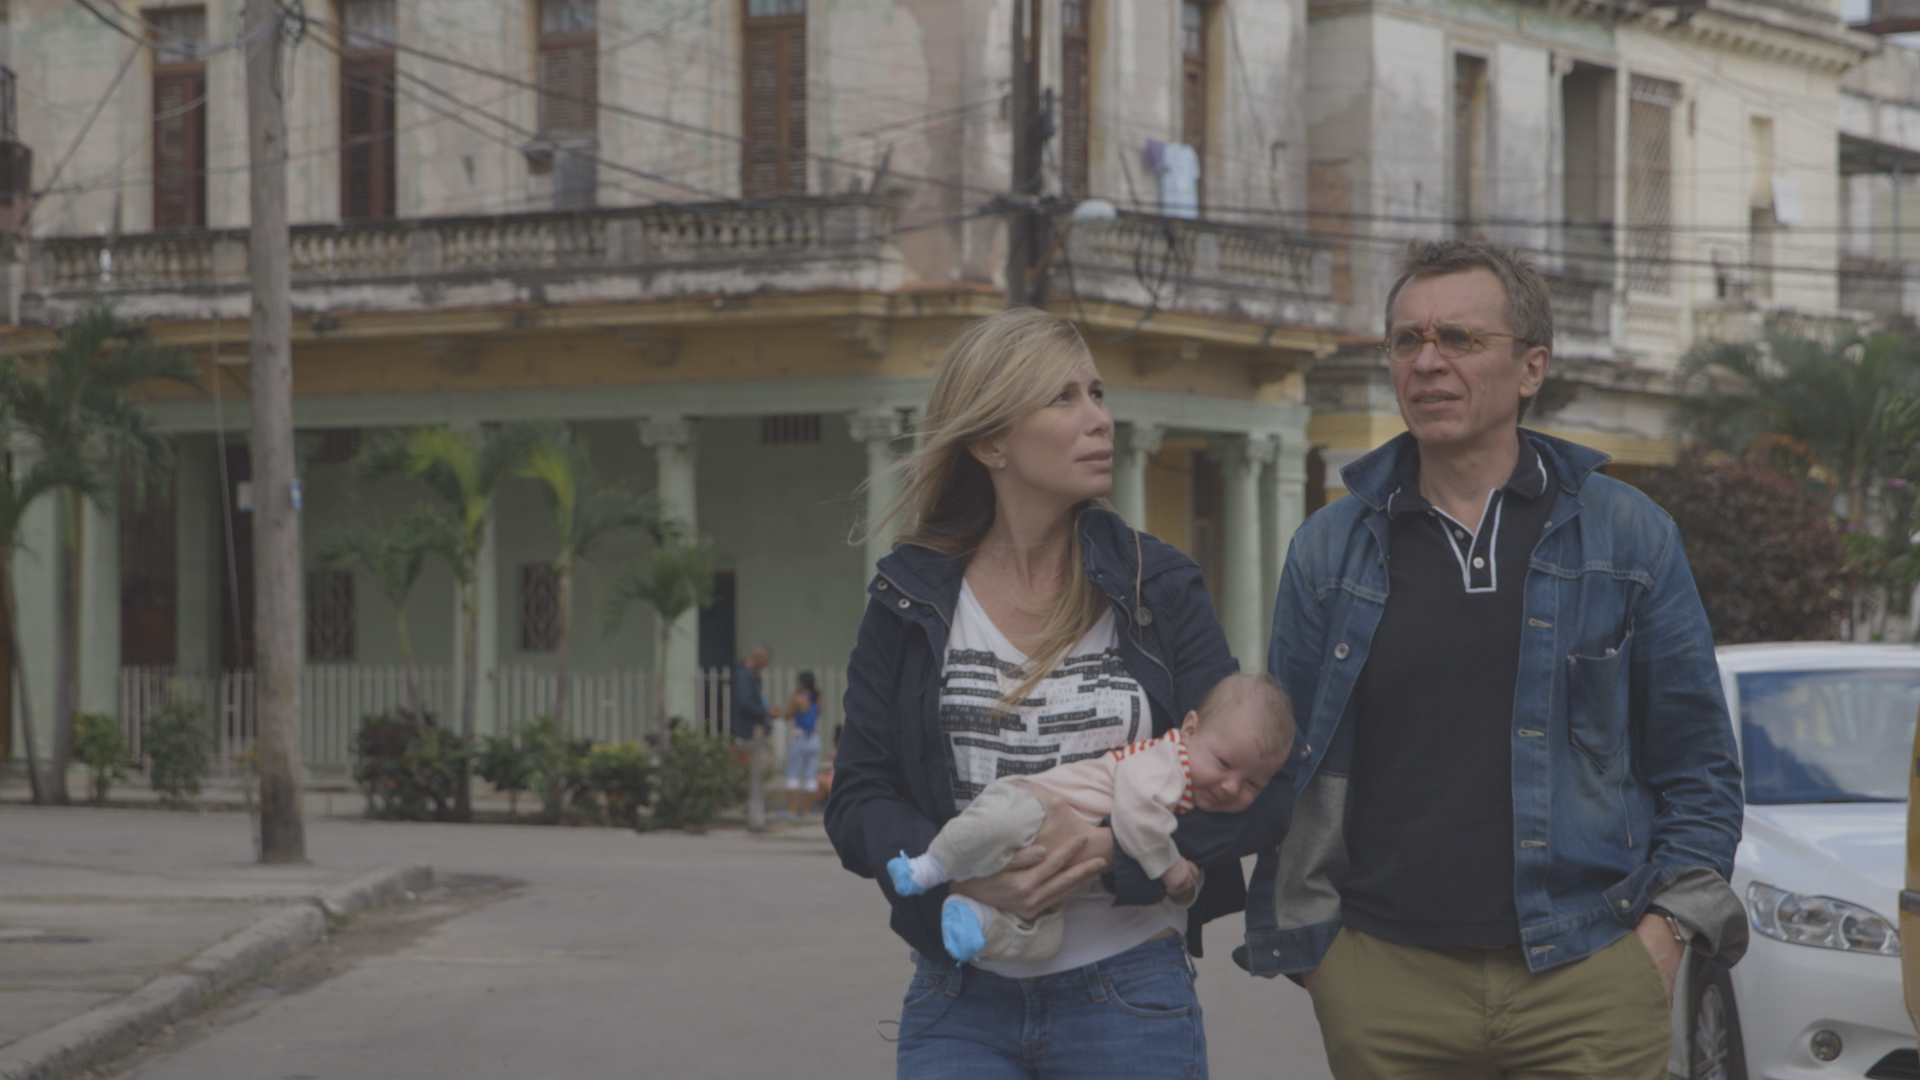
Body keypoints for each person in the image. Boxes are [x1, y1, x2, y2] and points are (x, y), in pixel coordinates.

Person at [1245, 240, 1746, 1079]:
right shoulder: (1329, 549)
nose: (1428, 362)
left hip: (1590, 968)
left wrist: (1660, 940)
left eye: (1459, 340)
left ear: (1531, 367)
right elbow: (1287, 765)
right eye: (1408, 341)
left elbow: (1699, 766)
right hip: (1384, 979)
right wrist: (1323, 961)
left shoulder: (1629, 535)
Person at [825, 307, 1291, 1080]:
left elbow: (1263, 788)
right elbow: (859, 798)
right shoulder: (909, 595)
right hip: (957, 996)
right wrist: (959, 870)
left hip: (1130, 992)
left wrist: (1114, 851)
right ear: (989, 441)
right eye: (1064, 399)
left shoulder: (1157, 586)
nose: (1100, 420)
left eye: (1098, 393)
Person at [890, 673, 1294, 965]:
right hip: (1036, 807)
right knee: (993, 826)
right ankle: (930, 866)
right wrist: (1172, 870)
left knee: (1041, 942)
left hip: (1059, 879)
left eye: (1252, 785)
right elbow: (1137, 818)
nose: (1230, 788)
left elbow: (1189, 869)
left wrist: (1186, 886)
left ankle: (974, 916)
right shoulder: (1166, 761)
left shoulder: (1199, 797)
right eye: (1224, 764)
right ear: (1189, 729)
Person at [732, 645, 778, 831]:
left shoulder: (751, 675)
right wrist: (765, 712)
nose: (765, 666)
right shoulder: (744, 676)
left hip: (758, 729)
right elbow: (745, 703)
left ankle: (754, 805)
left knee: (761, 768)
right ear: (758, 658)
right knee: (761, 767)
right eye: (765, 662)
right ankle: (752, 806)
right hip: (750, 731)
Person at [780, 671, 824, 820]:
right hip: (815, 739)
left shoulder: (798, 698)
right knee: (810, 775)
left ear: (801, 683)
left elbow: (787, 716)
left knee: (792, 774)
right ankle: (806, 810)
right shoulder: (818, 698)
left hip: (800, 738)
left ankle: (791, 810)